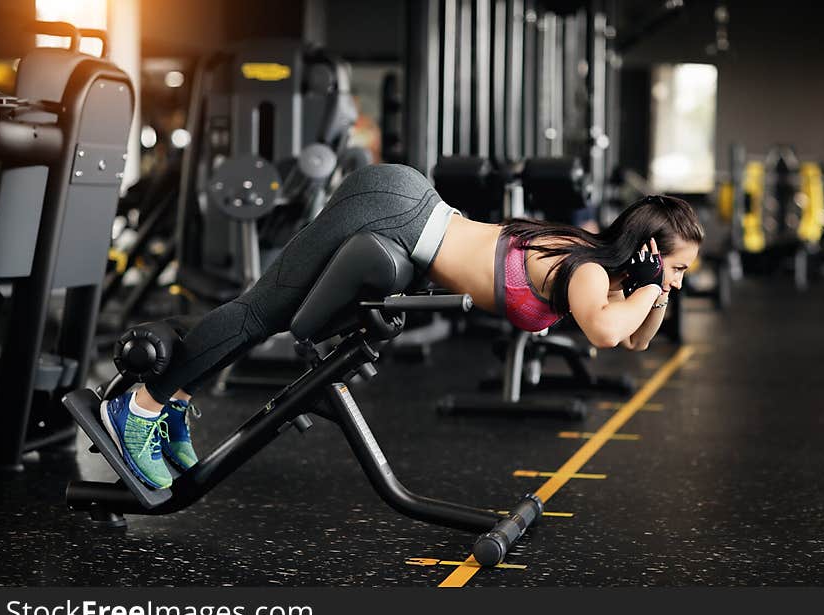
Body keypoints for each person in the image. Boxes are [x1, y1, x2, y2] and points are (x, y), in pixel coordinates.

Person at [101, 164, 703, 489]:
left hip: (404, 215)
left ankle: (175, 395)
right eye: (675, 266)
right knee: (264, 313)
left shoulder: (608, 276)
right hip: (393, 208)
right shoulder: (588, 271)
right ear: (649, 250)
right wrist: (652, 285)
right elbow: (603, 333)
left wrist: (656, 293)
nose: (677, 280)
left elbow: (635, 338)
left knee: (270, 315)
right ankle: (142, 405)